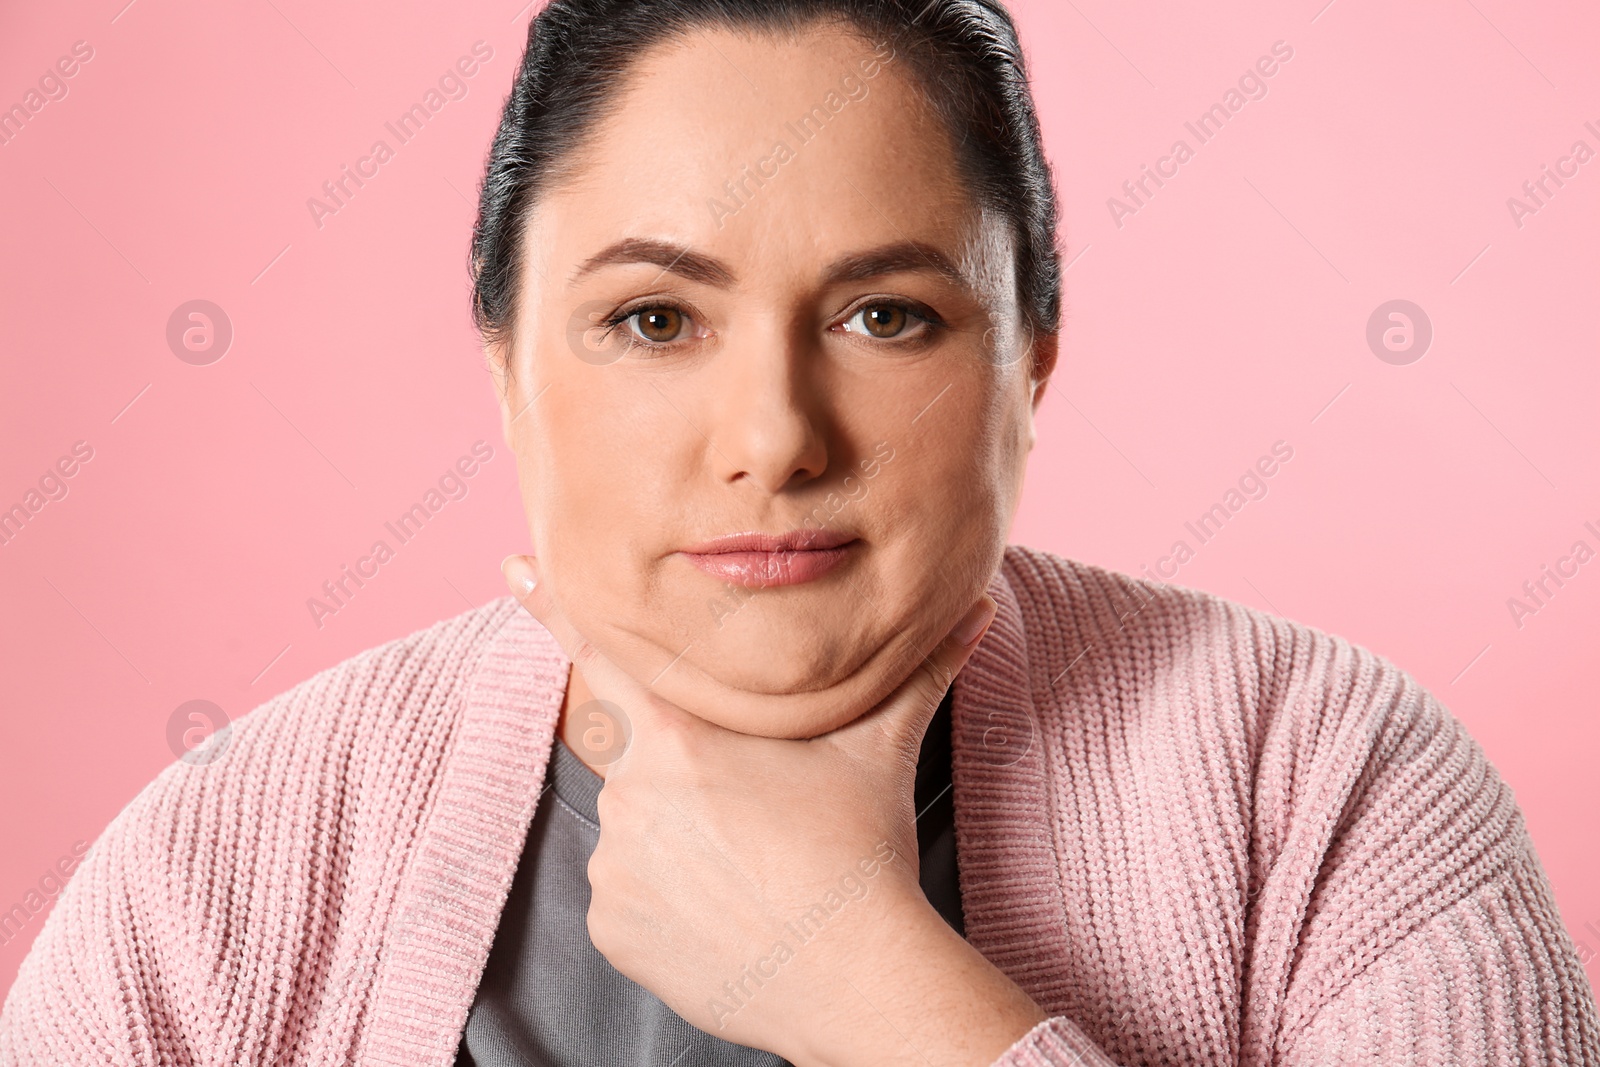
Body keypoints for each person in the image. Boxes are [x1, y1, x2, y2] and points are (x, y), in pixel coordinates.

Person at [3, 1, 1597, 1064]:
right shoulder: (217, 878)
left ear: (1033, 358)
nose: (773, 438)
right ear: (505, 369)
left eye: (886, 314)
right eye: (650, 320)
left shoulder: (1326, 780)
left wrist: (871, 982)